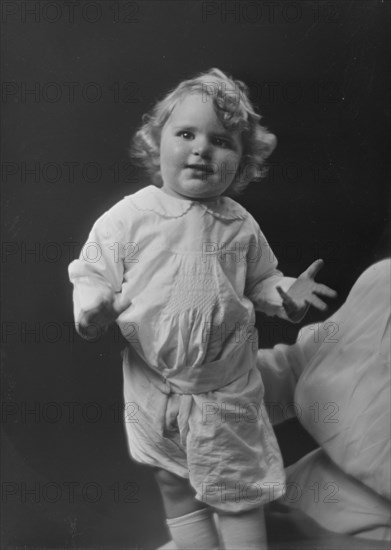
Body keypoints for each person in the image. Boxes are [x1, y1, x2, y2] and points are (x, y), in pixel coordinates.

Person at [68, 68, 336, 550]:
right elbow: (91, 275)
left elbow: (261, 281)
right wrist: (93, 311)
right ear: (158, 142)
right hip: (156, 385)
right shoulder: (131, 217)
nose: (201, 149)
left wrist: (286, 296)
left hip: (225, 389)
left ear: (243, 161)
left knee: (238, 489)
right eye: (186, 134)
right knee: (174, 479)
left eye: (221, 141)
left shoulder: (239, 225)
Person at [259, 259, 391, 548]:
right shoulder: (384, 282)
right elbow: (298, 368)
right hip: (288, 498)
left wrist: (316, 541)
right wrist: (215, 378)